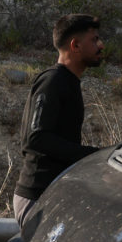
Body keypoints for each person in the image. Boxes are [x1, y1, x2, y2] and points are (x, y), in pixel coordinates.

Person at [12, 14, 104, 227]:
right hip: (37, 198)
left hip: (52, 197)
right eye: (94, 40)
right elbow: (35, 138)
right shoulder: (53, 81)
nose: (101, 45)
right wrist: (92, 155)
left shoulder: (68, 81)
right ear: (75, 45)